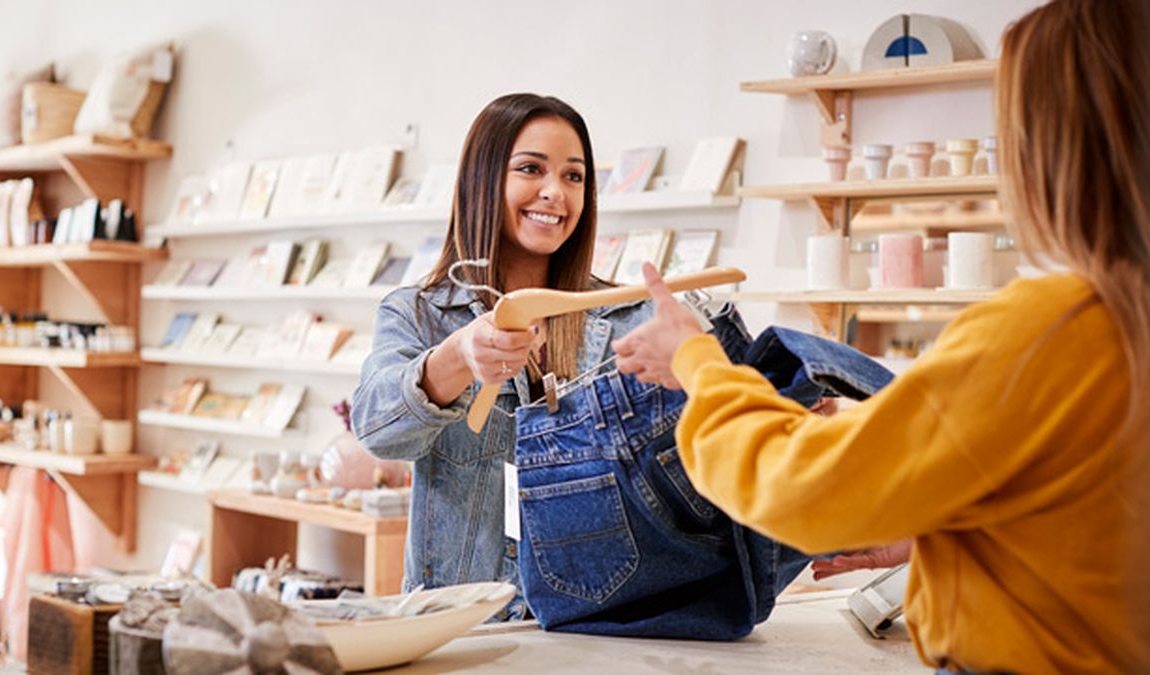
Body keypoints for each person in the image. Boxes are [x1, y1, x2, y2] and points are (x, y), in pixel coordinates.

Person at [611, 0, 1150, 671]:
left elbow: (802, 487)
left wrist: (696, 359)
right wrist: (953, 526)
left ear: (1049, 146)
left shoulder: (1049, 330)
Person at [351, 93, 652, 615]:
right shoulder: (419, 314)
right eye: (530, 169)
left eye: (574, 176)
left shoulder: (626, 317)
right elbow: (377, 429)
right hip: (462, 624)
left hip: (599, 620)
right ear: (482, 179)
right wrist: (457, 357)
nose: (555, 193)